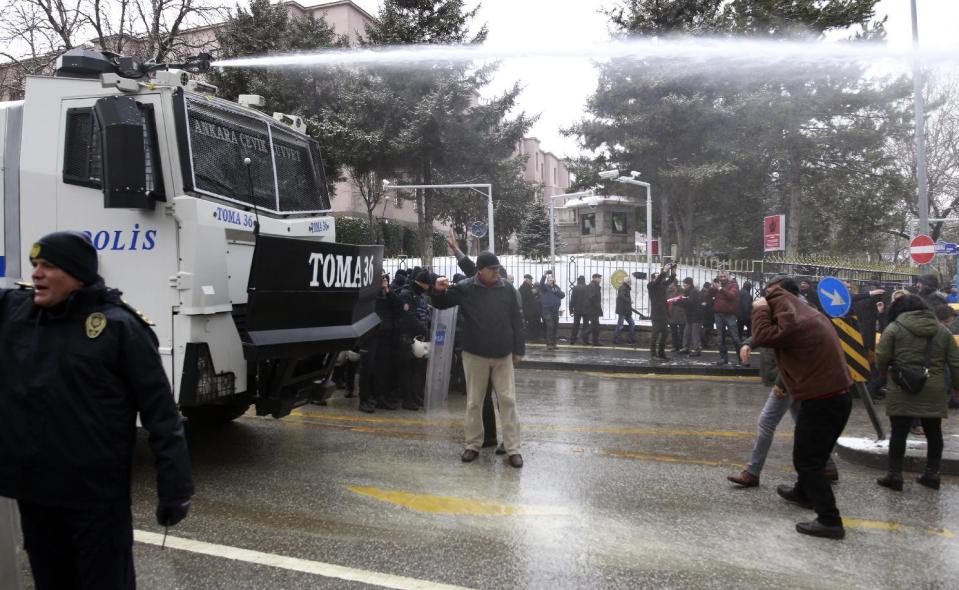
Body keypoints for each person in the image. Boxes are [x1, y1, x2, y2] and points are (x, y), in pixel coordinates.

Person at [0, 231, 193, 589]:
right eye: (35, 265)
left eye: (49, 266)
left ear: (78, 274)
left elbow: (162, 415)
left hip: (95, 501)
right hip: (35, 495)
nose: (37, 273)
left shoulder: (120, 328)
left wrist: (175, 488)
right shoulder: (17, 313)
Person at [751, 275, 852, 540]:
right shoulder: (808, 314)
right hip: (832, 396)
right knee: (811, 453)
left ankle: (829, 520)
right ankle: (803, 492)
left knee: (808, 461)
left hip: (823, 399)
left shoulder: (789, 314)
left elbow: (764, 334)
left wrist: (761, 309)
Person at [431, 252, 525, 468]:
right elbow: (441, 303)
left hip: (503, 354)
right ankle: (473, 445)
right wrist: (436, 288)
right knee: (474, 402)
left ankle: (513, 449)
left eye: (498, 268)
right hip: (475, 355)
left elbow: (517, 320)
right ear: (480, 270)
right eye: (492, 269)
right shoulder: (465, 288)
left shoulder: (507, 289)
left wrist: (518, 349)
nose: (497, 272)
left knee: (508, 401)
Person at [874, 294, 959, 492]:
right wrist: (956, 388)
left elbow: (881, 358)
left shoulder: (894, 329)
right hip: (933, 387)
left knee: (899, 432)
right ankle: (932, 474)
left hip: (901, 386)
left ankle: (895, 475)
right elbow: (955, 363)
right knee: (933, 431)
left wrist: (885, 371)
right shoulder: (942, 331)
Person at [358, 273, 399, 413]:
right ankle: (364, 399)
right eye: (381, 279)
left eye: (386, 278)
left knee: (383, 369)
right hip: (371, 335)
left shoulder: (388, 294)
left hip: (385, 335)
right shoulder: (369, 294)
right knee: (367, 368)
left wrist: (387, 290)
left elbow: (397, 306)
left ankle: (380, 397)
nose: (384, 281)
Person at [396, 270, 432, 410]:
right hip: (407, 337)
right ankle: (407, 399)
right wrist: (424, 329)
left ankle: (415, 396)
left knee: (417, 369)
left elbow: (421, 313)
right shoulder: (407, 294)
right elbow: (408, 317)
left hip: (419, 338)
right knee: (407, 370)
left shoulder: (419, 295)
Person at [710, 271, 742, 365]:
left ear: (728, 277)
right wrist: (712, 287)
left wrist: (720, 288)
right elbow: (708, 295)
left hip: (730, 315)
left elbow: (731, 296)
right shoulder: (717, 286)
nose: (722, 278)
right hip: (718, 315)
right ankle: (723, 358)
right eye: (720, 276)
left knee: (735, 338)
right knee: (720, 339)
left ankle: (742, 359)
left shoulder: (733, 285)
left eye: (724, 276)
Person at [645, 266, 674, 358]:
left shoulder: (661, 285)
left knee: (665, 334)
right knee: (655, 335)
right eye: (656, 277)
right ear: (652, 278)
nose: (659, 278)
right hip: (656, 315)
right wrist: (664, 271)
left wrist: (673, 272)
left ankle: (661, 352)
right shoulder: (650, 286)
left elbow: (669, 280)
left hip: (664, 314)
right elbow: (658, 281)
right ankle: (653, 354)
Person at [538, 272, 565, 350]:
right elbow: (541, 284)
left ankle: (554, 343)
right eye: (549, 280)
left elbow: (562, 295)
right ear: (547, 281)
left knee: (555, 326)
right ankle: (549, 344)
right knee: (550, 326)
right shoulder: (544, 287)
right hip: (546, 310)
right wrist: (544, 275)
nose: (551, 282)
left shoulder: (556, 287)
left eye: (552, 280)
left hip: (555, 310)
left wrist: (556, 291)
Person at [677, 277, 702, 356]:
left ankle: (696, 349)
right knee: (686, 333)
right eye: (684, 283)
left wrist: (681, 301)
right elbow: (686, 302)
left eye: (685, 284)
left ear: (689, 284)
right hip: (689, 316)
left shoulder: (693, 292)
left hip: (696, 316)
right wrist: (678, 302)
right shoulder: (687, 291)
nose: (684, 285)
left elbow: (690, 303)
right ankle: (685, 348)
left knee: (695, 334)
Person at [613, 277, 638, 345]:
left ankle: (631, 339)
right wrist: (629, 301)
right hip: (622, 310)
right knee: (620, 325)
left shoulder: (625, 288)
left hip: (626, 310)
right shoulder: (623, 287)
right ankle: (616, 339)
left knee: (632, 324)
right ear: (628, 282)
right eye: (630, 282)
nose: (631, 284)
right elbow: (621, 296)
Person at [518, 274, 542, 341]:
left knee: (535, 323)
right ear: (526, 279)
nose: (531, 281)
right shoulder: (523, 288)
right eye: (530, 280)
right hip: (528, 310)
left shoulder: (529, 287)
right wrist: (532, 292)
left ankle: (535, 337)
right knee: (531, 324)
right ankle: (531, 337)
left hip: (533, 310)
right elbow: (525, 297)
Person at [568, 276, 590, 345]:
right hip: (586, 310)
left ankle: (572, 340)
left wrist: (571, 310)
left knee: (576, 325)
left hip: (577, 310)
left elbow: (572, 300)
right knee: (586, 325)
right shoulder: (587, 288)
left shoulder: (575, 288)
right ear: (584, 280)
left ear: (578, 281)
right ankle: (585, 340)